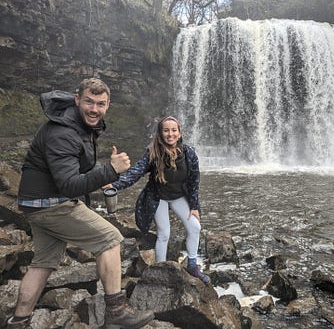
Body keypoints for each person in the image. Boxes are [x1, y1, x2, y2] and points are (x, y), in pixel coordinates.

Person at [8, 78, 154, 329]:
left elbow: (73, 170)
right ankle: (116, 311)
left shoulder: (75, 125)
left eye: (100, 103)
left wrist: (106, 170)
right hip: (52, 203)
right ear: (77, 99)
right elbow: (68, 184)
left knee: (43, 263)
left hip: (37, 202)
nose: (94, 109)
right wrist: (110, 170)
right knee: (110, 239)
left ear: (108, 105)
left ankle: (18, 321)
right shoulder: (63, 131)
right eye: (88, 101)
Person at [110, 116, 210, 284]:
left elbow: (194, 181)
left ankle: (192, 266)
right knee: (164, 233)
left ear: (179, 133)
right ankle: (161, 269)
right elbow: (135, 173)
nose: (170, 134)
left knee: (195, 227)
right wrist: (114, 184)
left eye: (173, 130)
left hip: (179, 197)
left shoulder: (189, 153)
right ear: (160, 133)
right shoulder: (153, 153)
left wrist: (194, 206)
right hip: (159, 197)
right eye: (166, 130)